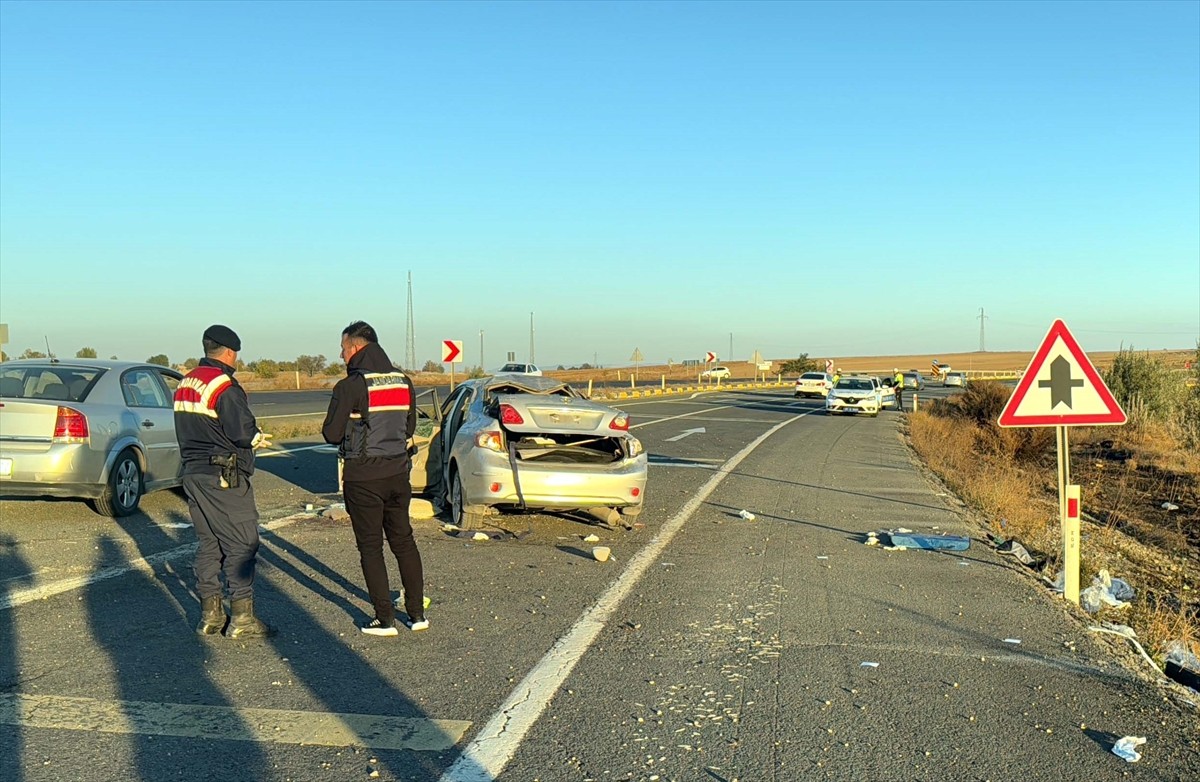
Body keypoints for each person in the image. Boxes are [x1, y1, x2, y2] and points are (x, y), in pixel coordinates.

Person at [322, 321, 426, 636]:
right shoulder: (403, 381)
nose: (341, 356)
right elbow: (409, 429)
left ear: (355, 348)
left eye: (343, 349)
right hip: (398, 473)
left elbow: (331, 433)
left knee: (370, 547)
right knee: (404, 541)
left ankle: (384, 619)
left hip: (363, 477)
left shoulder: (350, 386)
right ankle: (417, 615)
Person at [174, 325, 273, 638]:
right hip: (223, 475)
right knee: (242, 541)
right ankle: (242, 617)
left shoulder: (186, 382)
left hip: (193, 473)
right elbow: (241, 431)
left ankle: (210, 615)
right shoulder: (223, 385)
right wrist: (257, 438)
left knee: (210, 542)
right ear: (231, 353)